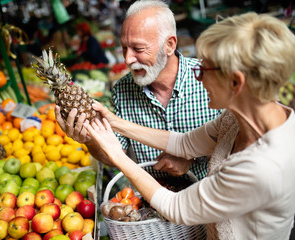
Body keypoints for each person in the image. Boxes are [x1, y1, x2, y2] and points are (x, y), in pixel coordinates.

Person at [83, 12, 295, 239]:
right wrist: (114, 123)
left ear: (235, 82)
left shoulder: (261, 166)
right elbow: (184, 143)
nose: (198, 77)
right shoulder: (236, 119)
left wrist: (116, 154)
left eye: (205, 69)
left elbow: (175, 207)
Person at [56, 0, 221, 181]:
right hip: (151, 204)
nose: (128, 59)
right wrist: (90, 140)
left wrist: (191, 157)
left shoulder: (209, 79)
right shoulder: (122, 90)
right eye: (124, 48)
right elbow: (116, 156)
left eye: (138, 48)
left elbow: (235, 141)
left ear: (170, 45)